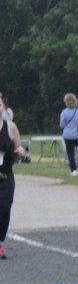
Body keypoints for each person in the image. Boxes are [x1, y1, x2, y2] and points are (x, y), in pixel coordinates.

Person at [0, 98, 27, 260]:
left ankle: (0, 243)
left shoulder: (10, 127)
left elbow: (18, 149)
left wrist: (21, 152)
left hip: (5, 175)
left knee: (4, 207)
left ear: (3, 108)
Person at [59, 93, 78, 176]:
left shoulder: (64, 112)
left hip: (67, 135)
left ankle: (73, 170)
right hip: (77, 134)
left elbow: (61, 124)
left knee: (70, 153)